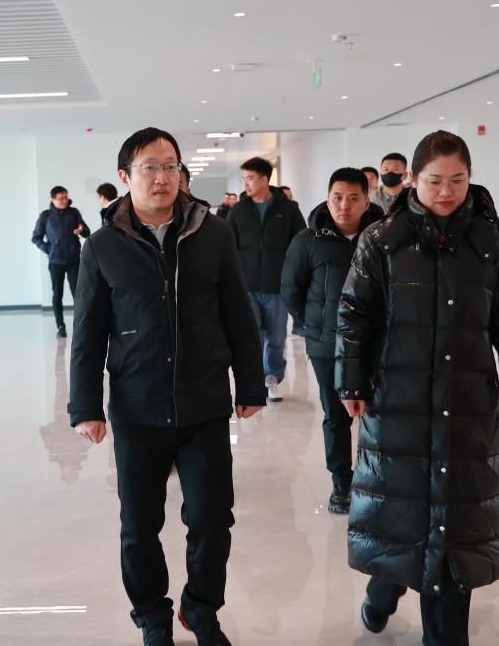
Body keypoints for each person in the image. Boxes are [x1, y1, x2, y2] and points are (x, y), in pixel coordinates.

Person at [337, 130, 499, 645]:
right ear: (412, 180)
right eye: (433, 181)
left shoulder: (490, 243)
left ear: (470, 179)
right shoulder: (381, 240)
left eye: (457, 180)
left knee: (455, 527)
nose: (445, 191)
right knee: (402, 512)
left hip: (467, 401)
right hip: (398, 400)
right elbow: (354, 314)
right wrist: (351, 380)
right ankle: (384, 589)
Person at [69, 127, 266, 646]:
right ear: (125, 176)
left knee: (212, 520)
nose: (162, 177)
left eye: (171, 166)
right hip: (138, 407)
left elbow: (238, 313)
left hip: (204, 403)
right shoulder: (102, 246)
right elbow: (88, 332)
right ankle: (152, 617)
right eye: (150, 167)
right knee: (139, 527)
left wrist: (250, 384)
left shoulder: (212, 233)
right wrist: (86, 406)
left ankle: (200, 610)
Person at [280, 167, 383, 515]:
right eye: (337, 197)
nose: (344, 205)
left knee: (379, 413)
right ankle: (342, 482)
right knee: (336, 415)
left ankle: (377, 479)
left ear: (367, 202)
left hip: (376, 344)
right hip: (328, 346)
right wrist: (315, 327)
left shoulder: (383, 238)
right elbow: (291, 290)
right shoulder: (308, 240)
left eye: (354, 198)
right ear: (327, 199)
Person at [227, 157, 306, 401]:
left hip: (277, 288)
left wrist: (294, 277)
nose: (245, 184)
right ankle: (253, 380)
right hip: (247, 287)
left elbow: (300, 244)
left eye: (249, 178)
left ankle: (272, 378)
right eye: (243, 178)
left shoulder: (288, 209)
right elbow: (228, 247)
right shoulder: (238, 210)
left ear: (264, 180)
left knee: (276, 337)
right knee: (252, 337)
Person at [32, 186, 91, 337]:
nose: (65, 200)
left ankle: (81, 326)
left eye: (66, 197)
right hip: (55, 262)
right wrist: (49, 249)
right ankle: (60, 326)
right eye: (61, 198)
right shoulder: (45, 216)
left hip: (73, 260)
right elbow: (36, 237)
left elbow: (87, 232)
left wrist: (81, 230)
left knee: (78, 293)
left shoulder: (74, 212)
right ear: (53, 200)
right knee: (57, 293)